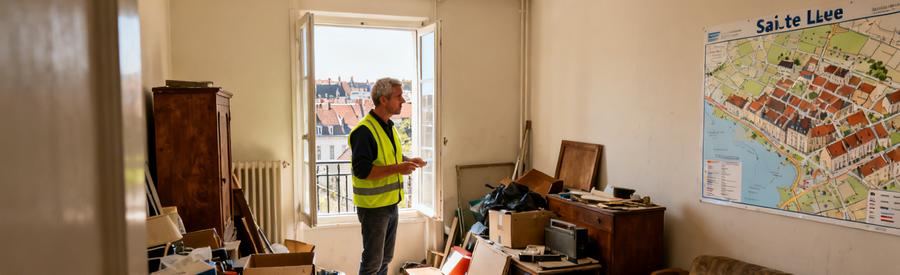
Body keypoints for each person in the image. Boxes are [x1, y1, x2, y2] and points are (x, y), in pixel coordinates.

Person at [349, 77, 426, 275]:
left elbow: (389, 157)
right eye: (399, 96)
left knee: (385, 260)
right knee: (372, 263)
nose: (403, 101)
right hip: (373, 208)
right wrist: (399, 168)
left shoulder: (388, 126)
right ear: (383, 100)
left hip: (390, 204)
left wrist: (409, 160)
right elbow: (363, 171)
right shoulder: (364, 131)